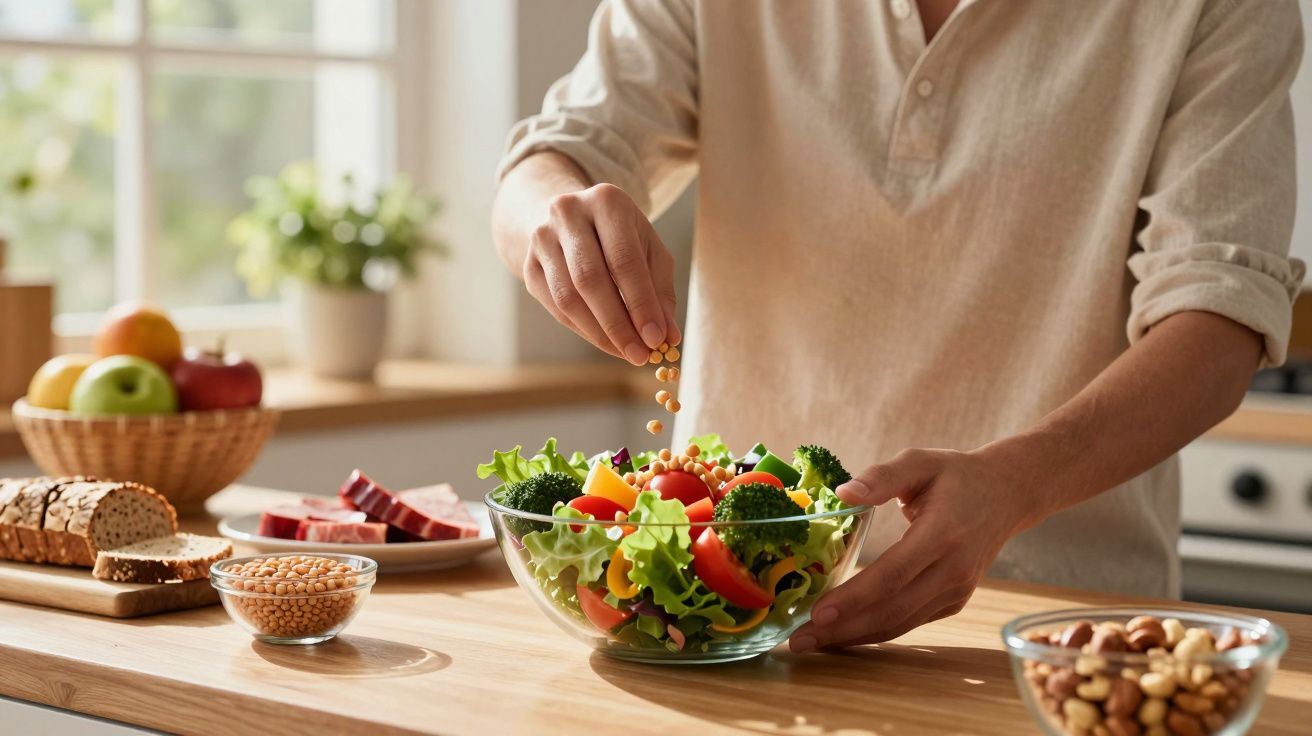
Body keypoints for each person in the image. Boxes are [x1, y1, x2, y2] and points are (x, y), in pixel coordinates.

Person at [490, 0, 1304, 652]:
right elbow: (558, 153)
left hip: (1056, 626)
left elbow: (1221, 315)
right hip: (727, 627)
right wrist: (551, 219)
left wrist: (1015, 485)